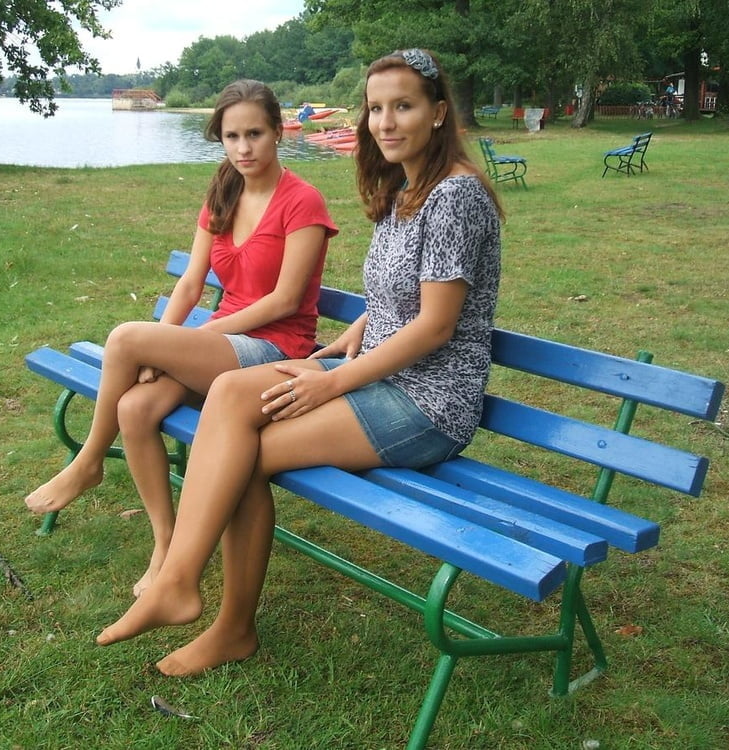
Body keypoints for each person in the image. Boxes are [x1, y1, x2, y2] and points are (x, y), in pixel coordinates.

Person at [94, 48, 503, 677]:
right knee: (231, 395)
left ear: (439, 113)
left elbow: (436, 324)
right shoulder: (405, 192)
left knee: (243, 456)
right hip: (378, 373)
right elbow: (404, 296)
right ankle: (181, 579)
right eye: (375, 108)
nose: (386, 121)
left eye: (403, 106)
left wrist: (332, 380)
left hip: (428, 402)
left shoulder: (455, 197)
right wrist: (358, 330)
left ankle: (222, 620)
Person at [25, 79, 338, 596]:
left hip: (274, 349)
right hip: (219, 347)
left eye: (255, 133)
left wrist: (172, 341)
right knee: (136, 409)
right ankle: (165, 546)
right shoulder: (223, 192)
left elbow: (284, 301)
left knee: (125, 339)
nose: (243, 148)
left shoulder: (301, 202)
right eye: (232, 136)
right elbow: (192, 283)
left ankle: (88, 463)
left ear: (280, 131)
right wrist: (165, 346)